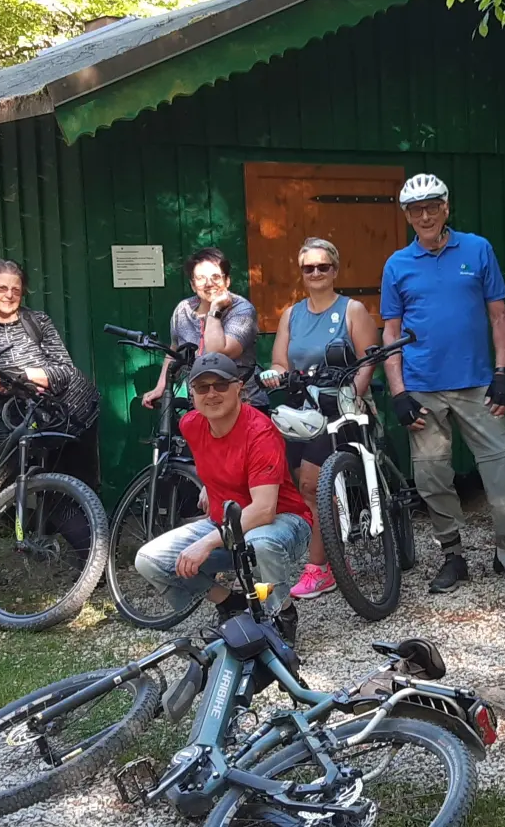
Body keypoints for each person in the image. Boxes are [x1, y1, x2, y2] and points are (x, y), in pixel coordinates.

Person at [380, 173, 505, 597]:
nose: (425, 215)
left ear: (446, 207)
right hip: (421, 386)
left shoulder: (477, 249)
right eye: (416, 210)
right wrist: (398, 392)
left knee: (501, 473)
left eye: (432, 206)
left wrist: (503, 373)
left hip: (476, 384)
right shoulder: (397, 265)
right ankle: (453, 555)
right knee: (432, 477)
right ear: (407, 216)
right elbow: (391, 332)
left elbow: (499, 316)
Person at [134, 352, 310, 643]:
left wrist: (206, 543)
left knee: (260, 542)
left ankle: (282, 614)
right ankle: (230, 604)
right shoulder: (191, 424)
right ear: (192, 393)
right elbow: (214, 456)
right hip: (227, 525)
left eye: (221, 385)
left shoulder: (260, 432)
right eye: (203, 387)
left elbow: (264, 510)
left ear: (239, 387)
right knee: (149, 559)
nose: (212, 394)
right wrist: (209, 485)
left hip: (283, 521)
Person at [259, 237, 378, 600]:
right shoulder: (291, 314)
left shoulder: (352, 310)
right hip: (301, 410)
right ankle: (333, 549)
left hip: (340, 411)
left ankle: (319, 569)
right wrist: (274, 374)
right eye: (308, 267)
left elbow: (367, 360)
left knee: (312, 483)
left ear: (335, 270)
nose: (315, 273)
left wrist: (352, 396)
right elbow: (281, 361)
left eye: (322, 267)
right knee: (297, 484)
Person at [0, 260, 101, 495]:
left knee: (71, 479)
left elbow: (65, 368)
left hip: (61, 410)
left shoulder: (37, 321)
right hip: (10, 414)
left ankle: (80, 527)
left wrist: (35, 376)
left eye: (15, 289)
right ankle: (27, 525)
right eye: (2, 288)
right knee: (23, 478)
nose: (9, 295)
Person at [143, 248, 266, 411]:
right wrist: (162, 387)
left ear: (227, 281)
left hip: (244, 404)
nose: (209, 284)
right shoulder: (183, 310)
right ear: (193, 285)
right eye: (201, 278)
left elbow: (219, 353)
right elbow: (174, 351)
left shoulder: (242, 310)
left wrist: (214, 310)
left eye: (215, 277)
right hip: (202, 404)